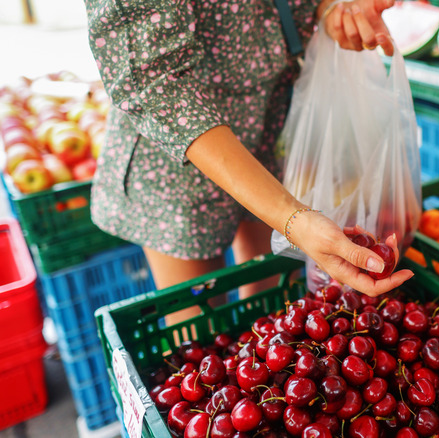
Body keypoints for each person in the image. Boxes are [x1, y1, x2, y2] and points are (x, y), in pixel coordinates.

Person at [82, 0, 413, 297]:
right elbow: (152, 77)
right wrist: (295, 219)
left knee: (263, 306)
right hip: (180, 152)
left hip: (271, 123)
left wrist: (331, 10)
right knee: (201, 329)